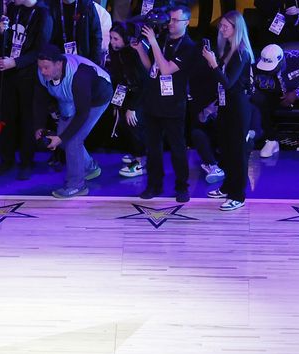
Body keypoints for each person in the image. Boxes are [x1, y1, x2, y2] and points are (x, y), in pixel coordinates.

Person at [133, 5, 196, 203]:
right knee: (153, 149)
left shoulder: (188, 47)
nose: (171, 23)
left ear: (186, 22)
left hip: (173, 106)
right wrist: (141, 50)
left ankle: (182, 187)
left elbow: (167, 69)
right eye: (170, 19)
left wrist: (152, 42)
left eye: (176, 20)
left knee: (177, 149)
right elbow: (151, 67)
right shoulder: (163, 38)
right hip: (153, 102)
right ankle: (154, 185)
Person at [32, 44, 111, 198]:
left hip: (97, 97)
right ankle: (90, 167)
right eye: (40, 67)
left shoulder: (80, 76)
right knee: (63, 138)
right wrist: (38, 127)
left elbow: (82, 113)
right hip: (70, 97)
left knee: (73, 140)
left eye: (46, 68)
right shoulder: (44, 72)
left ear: (59, 64)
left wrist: (61, 138)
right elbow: (39, 100)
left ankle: (77, 186)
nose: (42, 71)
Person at [0, 0, 52, 182]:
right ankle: (7, 159)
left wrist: (16, 62)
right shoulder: (13, 9)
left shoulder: (43, 14)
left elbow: (40, 51)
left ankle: (27, 162)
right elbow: (7, 40)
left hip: (29, 75)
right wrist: (1, 33)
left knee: (28, 120)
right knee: (6, 117)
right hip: (9, 74)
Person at [203, 11, 253, 211]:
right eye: (221, 25)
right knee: (226, 151)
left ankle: (238, 195)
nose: (222, 29)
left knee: (238, 153)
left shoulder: (241, 52)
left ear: (236, 28)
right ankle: (227, 186)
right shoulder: (228, 50)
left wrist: (213, 63)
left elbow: (229, 83)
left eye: (226, 26)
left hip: (238, 108)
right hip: (226, 107)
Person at [105, 23, 147, 178]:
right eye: (111, 38)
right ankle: (136, 153)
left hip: (141, 94)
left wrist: (133, 107)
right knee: (122, 123)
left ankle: (141, 162)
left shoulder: (134, 53)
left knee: (133, 124)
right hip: (126, 91)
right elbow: (118, 77)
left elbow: (145, 81)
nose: (112, 42)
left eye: (116, 38)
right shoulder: (115, 51)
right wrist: (117, 103)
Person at [249, 44, 299, 160]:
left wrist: (297, 92)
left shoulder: (298, 59)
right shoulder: (256, 66)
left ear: (282, 60)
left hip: (298, 91)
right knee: (258, 100)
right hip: (276, 94)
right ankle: (271, 140)